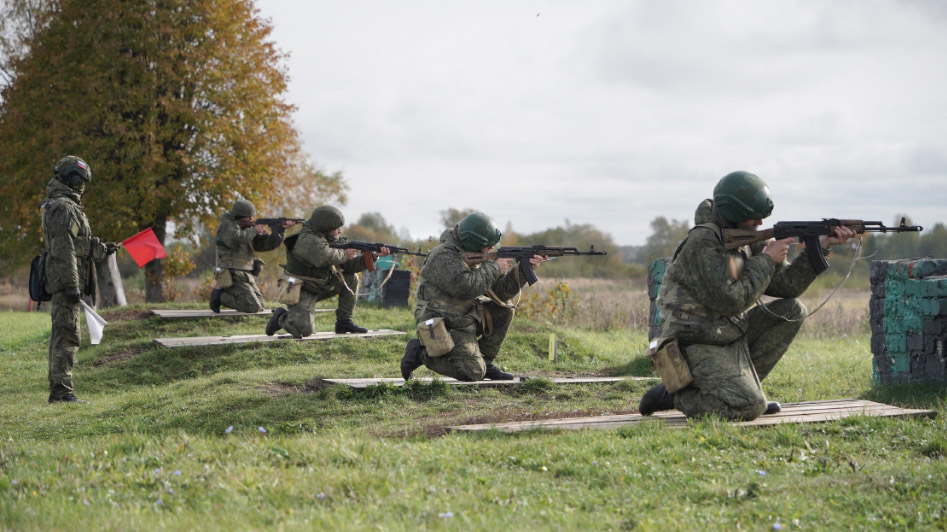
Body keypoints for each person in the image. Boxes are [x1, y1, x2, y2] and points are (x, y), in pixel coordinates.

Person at [638, 171, 856, 420]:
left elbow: (787, 286)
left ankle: (741, 392)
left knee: (792, 311)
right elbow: (730, 300)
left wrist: (821, 245)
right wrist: (766, 259)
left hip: (729, 335)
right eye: (753, 221)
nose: (759, 225)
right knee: (748, 407)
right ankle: (677, 396)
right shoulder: (703, 243)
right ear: (735, 215)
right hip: (694, 343)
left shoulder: (743, 239)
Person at [400, 212, 543, 381]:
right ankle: (420, 353)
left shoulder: (474, 254)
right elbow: (465, 287)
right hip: (440, 321)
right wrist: (495, 268)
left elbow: (501, 293)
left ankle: (486, 361)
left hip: (464, 318)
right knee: (473, 372)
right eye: (488, 246)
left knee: (504, 311)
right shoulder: (443, 256)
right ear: (474, 242)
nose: (491, 249)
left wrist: (525, 269)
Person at [41, 155, 118, 403]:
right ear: (71, 179)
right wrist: (72, 284)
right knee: (67, 335)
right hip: (65, 280)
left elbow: (77, 245)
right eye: (80, 179)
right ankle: (62, 392)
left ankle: (60, 390)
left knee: (64, 334)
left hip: (66, 277)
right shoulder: (63, 207)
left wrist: (102, 248)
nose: (82, 185)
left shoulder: (66, 206)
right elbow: (63, 249)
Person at [266, 205, 389, 338]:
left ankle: (344, 322)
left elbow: (349, 266)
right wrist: (344, 253)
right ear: (325, 228)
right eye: (336, 228)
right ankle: (281, 317)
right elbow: (324, 256)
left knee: (350, 277)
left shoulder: (327, 239)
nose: (340, 231)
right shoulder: (306, 240)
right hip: (301, 289)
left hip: (321, 285)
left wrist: (374, 256)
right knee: (304, 330)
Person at [210, 199, 295, 313]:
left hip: (245, 274)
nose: (251, 219)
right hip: (230, 273)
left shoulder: (248, 230)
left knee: (260, 306)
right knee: (253, 307)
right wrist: (254, 230)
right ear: (239, 216)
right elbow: (236, 240)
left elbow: (265, 245)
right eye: (248, 217)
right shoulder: (226, 226)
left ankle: (224, 296)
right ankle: (220, 297)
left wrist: (280, 229)